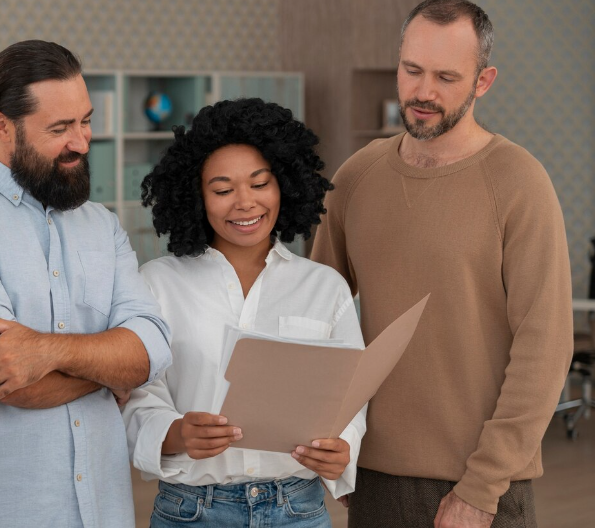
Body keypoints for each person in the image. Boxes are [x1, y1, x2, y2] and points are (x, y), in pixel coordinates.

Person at [311, 1, 573, 526]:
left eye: (446, 77)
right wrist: (334, 449)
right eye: (412, 70)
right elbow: (318, 320)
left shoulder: (519, 183)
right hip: (373, 477)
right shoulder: (357, 178)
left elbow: (544, 346)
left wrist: (481, 487)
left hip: (484, 487)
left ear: (483, 81)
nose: (423, 92)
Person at [0, 40, 172, 527]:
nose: (82, 142)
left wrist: (48, 351)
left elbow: (151, 349)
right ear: (3, 126)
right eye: (60, 128)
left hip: (105, 512)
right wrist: (111, 368)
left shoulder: (101, 225)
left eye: (85, 121)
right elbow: (12, 381)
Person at [122, 98, 367, 527]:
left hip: (298, 510)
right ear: (195, 197)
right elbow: (136, 395)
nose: (245, 203)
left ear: (284, 185)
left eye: (259, 183)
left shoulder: (323, 287)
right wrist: (176, 433)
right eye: (222, 190)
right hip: (192, 511)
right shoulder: (156, 283)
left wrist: (341, 447)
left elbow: (351, 396)